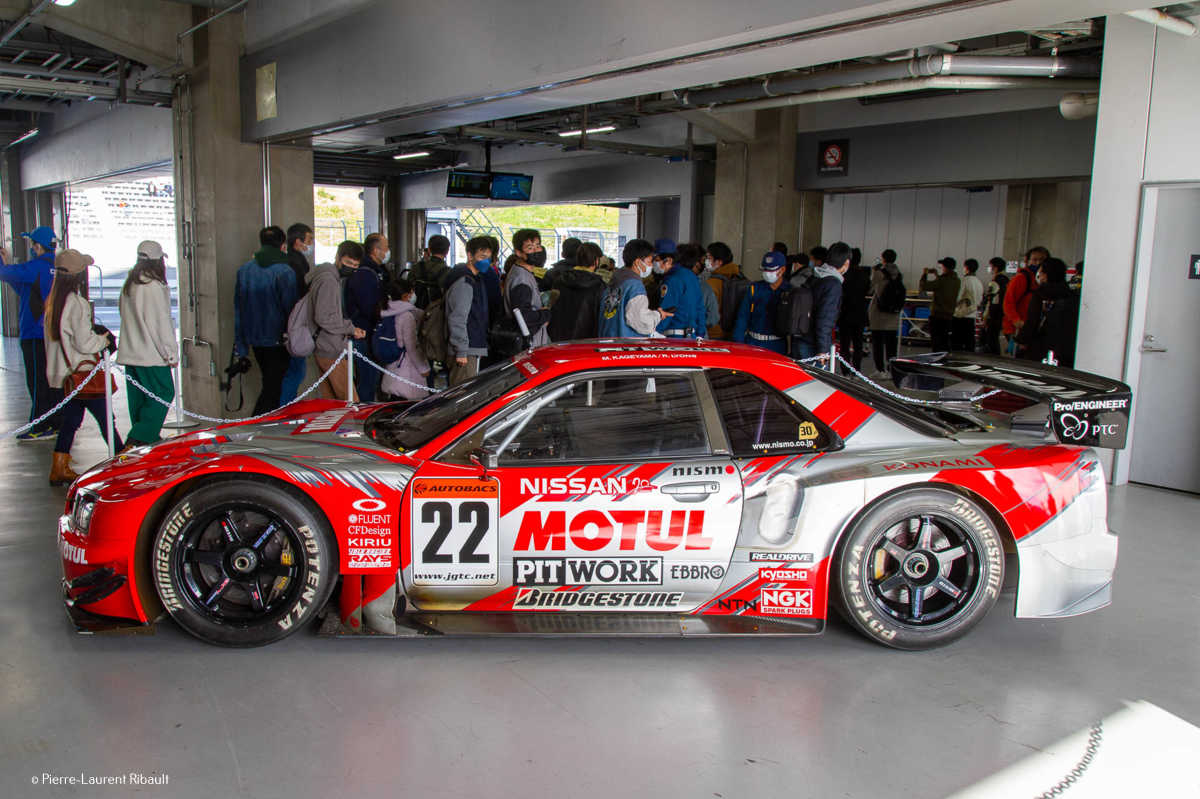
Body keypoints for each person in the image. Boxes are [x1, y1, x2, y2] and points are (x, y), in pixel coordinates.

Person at [44, 249, 124, 486]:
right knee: (106, 418)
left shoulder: (53, 301)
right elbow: (84, 343)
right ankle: (123, 461)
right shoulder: (77, 303)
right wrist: (104, 340)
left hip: (66, 374)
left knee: (71, 420)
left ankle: (59, 467)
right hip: (84, 373)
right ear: (78, 275)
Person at [0, 225, 62, 441]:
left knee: (36, 382)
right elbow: (25, 289)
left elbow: (4, 274)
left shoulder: (35, 267)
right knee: (52, 381)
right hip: (52, 333)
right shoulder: (56, 267)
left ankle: (40, 425)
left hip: (34, 334)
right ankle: (55, 422)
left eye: (32, 244)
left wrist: (3, 262)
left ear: (38, 246)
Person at [117, 241, 177, 448]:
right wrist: (170, 353)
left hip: (130, 352)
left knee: (140, 398)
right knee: (164, 392)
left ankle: (147, 439)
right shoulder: (154, 286)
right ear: (158, 261)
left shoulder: (130, 284)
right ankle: (139, 438)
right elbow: (160, 324)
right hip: (151, 354)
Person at [234, 226, 298, 415]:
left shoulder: (244, 270)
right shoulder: (285, 271)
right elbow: (291, 309)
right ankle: (258, 423)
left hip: (254, 338)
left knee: (269, 383)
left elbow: (238, 308)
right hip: (278, 339)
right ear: (283, 245)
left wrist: (241, 345)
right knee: (273, 387)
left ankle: (263, 422)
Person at [311, 241, 366, 401]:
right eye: (348, 263)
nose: (351, 268)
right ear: (338, 257)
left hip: (325, 344)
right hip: (330, 346)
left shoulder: (329, 277)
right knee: (350, 401)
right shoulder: (329, 281)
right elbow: (324, 317)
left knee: (331, 401)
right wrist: (350, 329)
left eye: (355, 265)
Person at [444, 236, 493, 386]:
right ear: (470, 255)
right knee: (462, 391)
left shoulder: (475, 279)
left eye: (489, 258)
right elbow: (458, 318)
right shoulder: (465, 282)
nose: (486, 261)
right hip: (466, 350)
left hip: (472, 346)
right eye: (482, 257)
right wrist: (461, 350)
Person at [793, 241, 850, 365]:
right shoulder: (833, 284)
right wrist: (823, 349)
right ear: (846, 263)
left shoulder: (815, 276)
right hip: (814, 344)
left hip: (800, 336)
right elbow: (825, 318)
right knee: (815, 376)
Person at [598, 239, 670, 337]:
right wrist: (658, 315)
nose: (651, 266)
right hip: (625, 343)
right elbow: (640, 321)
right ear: (637, 262)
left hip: (608, 340)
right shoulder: (635, 286)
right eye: (649, 262)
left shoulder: (614, 281)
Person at [344, 235, 385, 402]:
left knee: (368, 376)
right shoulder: (365, 274)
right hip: (363, 332)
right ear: (375, 250)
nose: (387, 252)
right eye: (386, 248)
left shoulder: (372, 271)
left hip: (364, 331)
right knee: (367, 377)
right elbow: (368, 307)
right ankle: (364, 410)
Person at [1018, 257, 1080, 366]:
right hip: (1066, 349)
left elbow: (1032, 321)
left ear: (1046, 274)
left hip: (1041, 346)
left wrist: (1023, 340)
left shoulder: (1041, 294)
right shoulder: (1072, 295)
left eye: (1041, 272)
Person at [377, 278, 430, 401]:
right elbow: (412, 346)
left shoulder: (387, 310)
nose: (413, 295)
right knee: (406, 404)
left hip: (393, 365)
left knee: (394, 399)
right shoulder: (406, 316)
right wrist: (424, 368)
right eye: (412, 292)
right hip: (407, 369)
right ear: (406, 295)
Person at [280, 223, 314, 403]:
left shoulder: (293, 262)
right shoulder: (294, 265)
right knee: (295, 373)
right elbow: (296, 299)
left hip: (289, 325)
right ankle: (286, 410)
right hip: (294, 325)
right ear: (298, 241)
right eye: (309, 240)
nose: (311, 244)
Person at [548, 242, 606, 341]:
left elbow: (553, 307)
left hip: (559, 338)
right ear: (596, 261)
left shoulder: (560, 280)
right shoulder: (599, 286)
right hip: (587, 340)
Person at [732, 251, 788, 354]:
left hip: (777, 345)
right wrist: (738, 343)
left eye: (771, 270)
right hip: (752, 342)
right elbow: (743, 317)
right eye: (765, 269)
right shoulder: (754, 289)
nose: (767, 273)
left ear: (782, 269)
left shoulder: (789, 291)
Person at [504, 229, 551, 348]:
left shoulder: (522, 271)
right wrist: (545, 314)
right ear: (518, 252)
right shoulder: (521, 279)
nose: (536, 251)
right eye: (530, 248)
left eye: (538, 246)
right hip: (529, 344)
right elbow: (524, 317)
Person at [654, 239, 706, 338]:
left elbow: (667, 310)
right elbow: (700, 308)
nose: (653, 264)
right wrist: (700, 333)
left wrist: (656, 332)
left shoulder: (672, 280)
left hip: (674, 337)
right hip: (692, 336)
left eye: (656, 260)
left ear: (669, 260)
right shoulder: (691, 276)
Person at [1003, 246, 1046, 354]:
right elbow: (1008, 303)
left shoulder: (1042, 280)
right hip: (1019, 329)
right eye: (1034, 260)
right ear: (1027, 261)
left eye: (1042, 260)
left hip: (1033, 328)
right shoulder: (1021, 278)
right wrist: (1016, 321)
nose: (1038, 263)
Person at [867, 250, 903, 376]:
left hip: (879, 314)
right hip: (893, 314)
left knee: (878, 343)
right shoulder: (899, 274)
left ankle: (880, 369)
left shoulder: (879, 273)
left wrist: (873, 272)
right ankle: (891, 370)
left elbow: (870, 289)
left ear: (883, 259)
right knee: (891, 344)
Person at [836, 247, 871, 370]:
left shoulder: (844, 274)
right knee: (858, 343)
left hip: (845, 313)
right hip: (860, 313)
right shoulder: (864, 275)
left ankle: (845, 370)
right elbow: (868, 290)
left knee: (844, 344)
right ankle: (856, 370)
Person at [920, 257, 960, 353]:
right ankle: (945, 358)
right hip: (949, 315)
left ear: (945, 267)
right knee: (944, 340)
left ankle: (937, 359)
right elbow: (943, 285)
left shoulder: (942, 280)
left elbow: (924, 286)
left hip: (938, 315)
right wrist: (937, 275)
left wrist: (924, 274)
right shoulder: (957, 280)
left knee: (936, 341)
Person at [704, 241, 743, 338]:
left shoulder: (711, 283)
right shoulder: (740, 278)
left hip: (713, 333)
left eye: (709, 258)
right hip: (734, 333)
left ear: (719, 262)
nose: (706, 261)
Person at [679, 244, 718, 334]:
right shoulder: (705, 287)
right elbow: (713, 318)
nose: (705, 265)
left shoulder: (672, 280)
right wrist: (699, 324)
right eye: (703, 260)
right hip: (698, 336)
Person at [411, 234, 451, 308]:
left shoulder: (416, 267)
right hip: (436, 311)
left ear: (429, 250)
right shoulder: (448, 272)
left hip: (414, 309)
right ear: (447, 251)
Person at [953, 258, 984, 352]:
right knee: (970, 343)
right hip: (972, 315)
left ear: (966, 268)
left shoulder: (964, 280)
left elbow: (957, 297)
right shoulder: (979, 282)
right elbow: (980, 299)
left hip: (961, 315)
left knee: (957, 343)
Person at [982, 257, 1009, 355]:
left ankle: (993, 357)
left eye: (991, 267)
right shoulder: (1006, 280)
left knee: (991, 338)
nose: (990, 269)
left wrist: (986, 316)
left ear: (995, 268)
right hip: (1002, 312)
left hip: (993, 313)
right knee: (995, 336)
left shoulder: (995, 282)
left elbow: (990, 299)